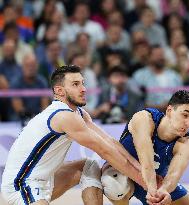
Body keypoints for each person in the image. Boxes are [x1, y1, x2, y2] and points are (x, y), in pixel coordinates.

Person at [0, 65, 153, 205]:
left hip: (45, 180)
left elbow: (109, 141)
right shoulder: (63, 116)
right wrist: (145, 183)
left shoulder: (78, 112)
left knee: (89, 166)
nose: (83, 89)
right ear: (59, 91)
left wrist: (142, 170)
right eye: (75, 84)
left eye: (82, 83)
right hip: (21, 184)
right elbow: (105, 151)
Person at [101, 90, 189, 205]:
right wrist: (152, 190)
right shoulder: (144, 118)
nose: (188, 123)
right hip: (125, 171)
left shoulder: (188, 142)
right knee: (114, 185)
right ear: (169, 111)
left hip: (157, 179)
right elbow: (147, 164)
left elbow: (173, 175)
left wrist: (164, 191)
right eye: (185, 115)